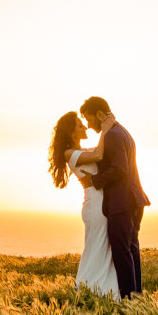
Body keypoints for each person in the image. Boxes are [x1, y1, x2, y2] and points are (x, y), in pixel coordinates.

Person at [64, 96, 150, 297]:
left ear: (100, 114)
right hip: (131, 200)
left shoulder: (113, 135)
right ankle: (136, 296)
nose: (87, 124)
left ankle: (129, 299)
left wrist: (95, 180)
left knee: (122, 253)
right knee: (131, 250)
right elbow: (99, 156)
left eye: (88, 118)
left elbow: (120, 170)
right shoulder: (119, 131)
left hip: (122, 203)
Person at [49, 111, 118, 297]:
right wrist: (105, 130)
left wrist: (108, 125)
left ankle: (102, 289)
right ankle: (91, 289)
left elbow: (98, 152)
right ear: (72, 133)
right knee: (96, 247)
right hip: (94, 205)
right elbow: (99, 154)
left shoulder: (82, 151)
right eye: (80, 125)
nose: (86, 127)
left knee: (102, 247)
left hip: (98, 202)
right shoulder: (70, 153)